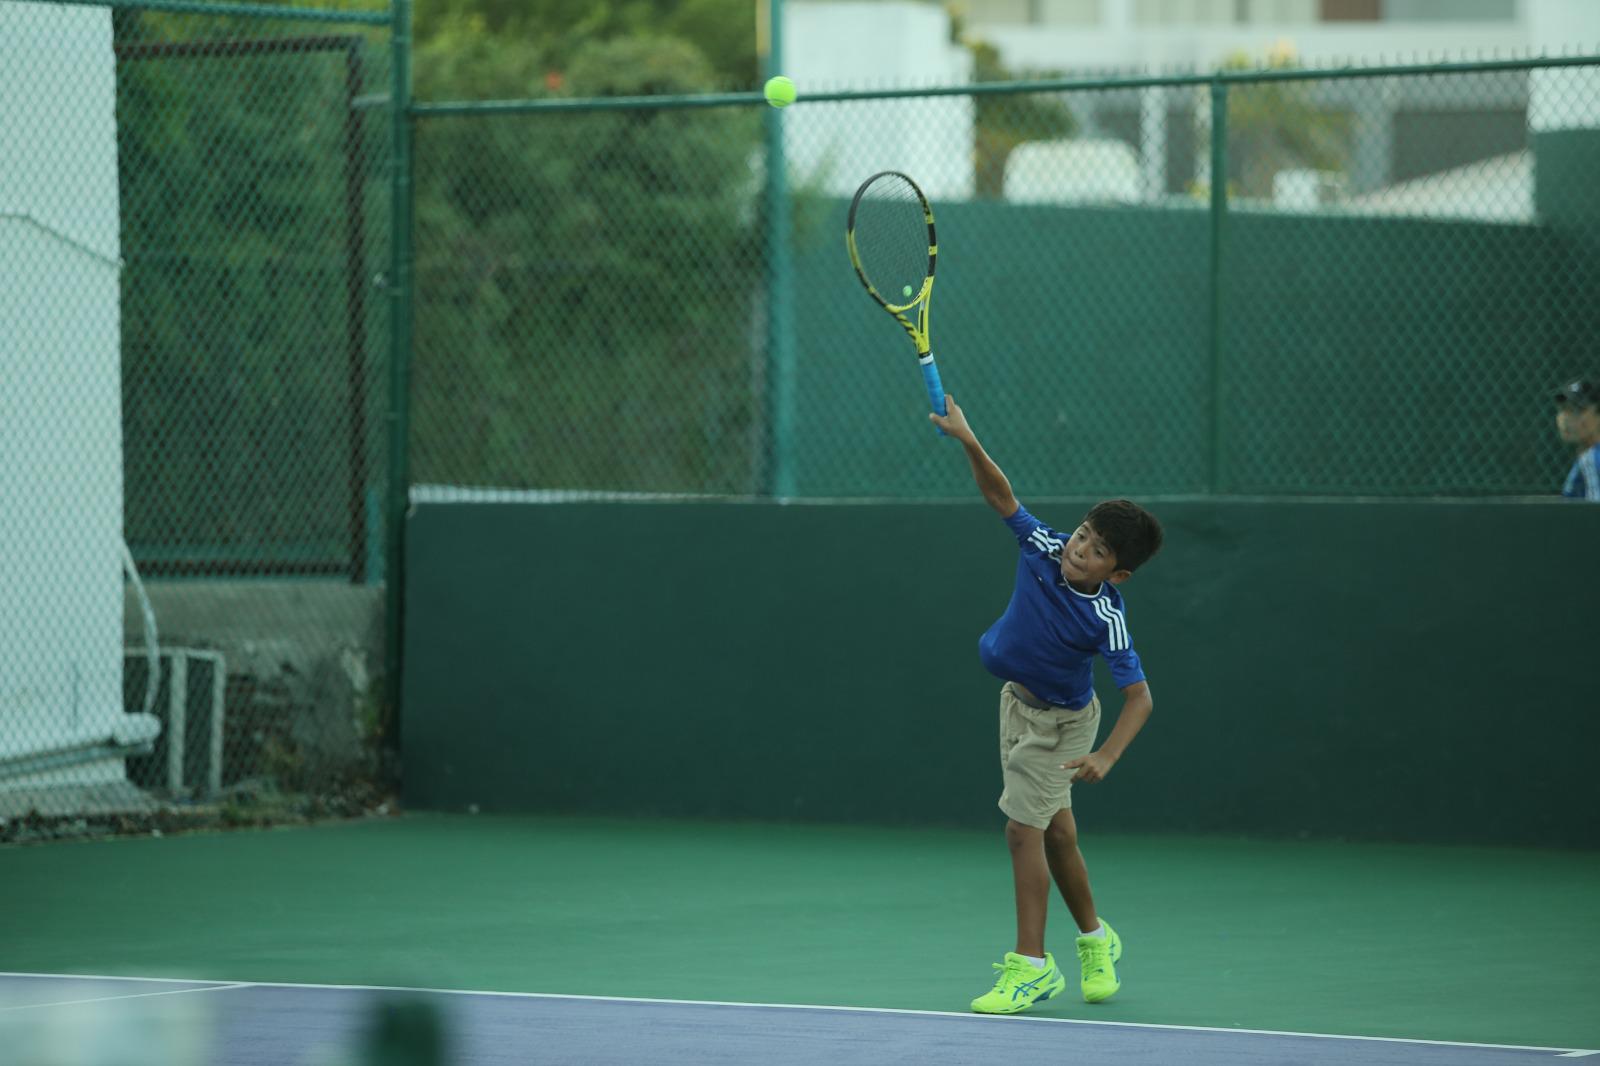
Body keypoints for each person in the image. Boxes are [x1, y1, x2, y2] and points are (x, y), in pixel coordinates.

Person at [929, 395, 1163, 1016]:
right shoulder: (1043, 545)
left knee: (1019, 831)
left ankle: (1031, 966)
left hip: (1063, 724)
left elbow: (1138, 697)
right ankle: (1095, 938)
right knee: (1057, 834)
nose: (1079, 549)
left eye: (1095, 551)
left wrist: (1107, 754)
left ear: (1118, 575)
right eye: (1083, 534)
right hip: (1017, 707)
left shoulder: (1104, 615)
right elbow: (1001, 498)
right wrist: (970, 441)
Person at [1555, 378, 1600, 501]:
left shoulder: (1593, 459)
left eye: (1578, 410)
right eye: (1563, 409)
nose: (1565, 418)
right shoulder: (1587, 457)